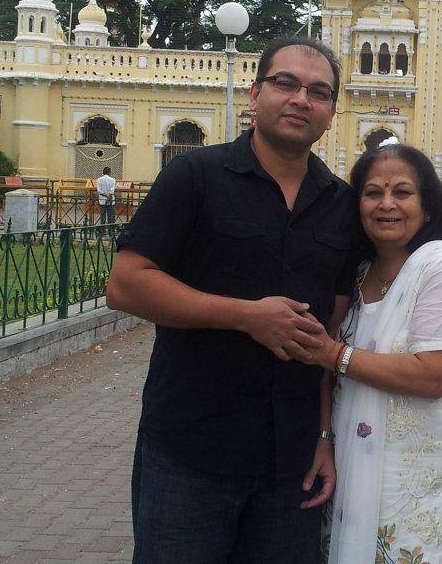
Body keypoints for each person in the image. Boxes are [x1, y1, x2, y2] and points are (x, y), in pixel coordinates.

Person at [106, 37, 360, 564]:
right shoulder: (195, 176)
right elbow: (126, 283)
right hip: (191, 451)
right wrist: (247, 316)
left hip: (291, 465)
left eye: (318, 92)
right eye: (284, 83)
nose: (300, 100)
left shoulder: (340, 206)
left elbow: (327, 339)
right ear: (254, 93)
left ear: (332, 112)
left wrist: (323, 436)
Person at [304, 144, 442, 564]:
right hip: (354, 468)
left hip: (421, 483)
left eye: (402, 192)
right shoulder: (360, 273)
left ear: (428, 206)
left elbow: (435, 376)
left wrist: (332, 353)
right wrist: (324, 437)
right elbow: (329, 371)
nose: (387, 204)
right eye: (373, 192)